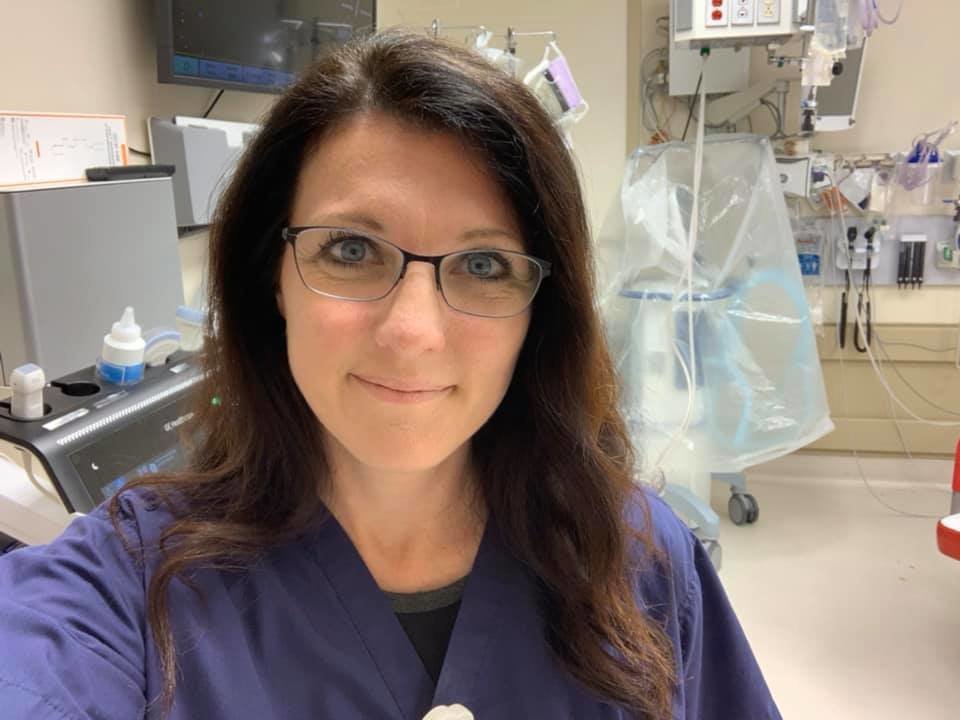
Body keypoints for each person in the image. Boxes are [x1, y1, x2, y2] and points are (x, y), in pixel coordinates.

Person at [0, 29, 781, 720]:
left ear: (540, 311)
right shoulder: (128, 587)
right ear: (273, 278)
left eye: (484, 264)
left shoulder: (640, 565)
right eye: (351, 250)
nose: (411, 332)